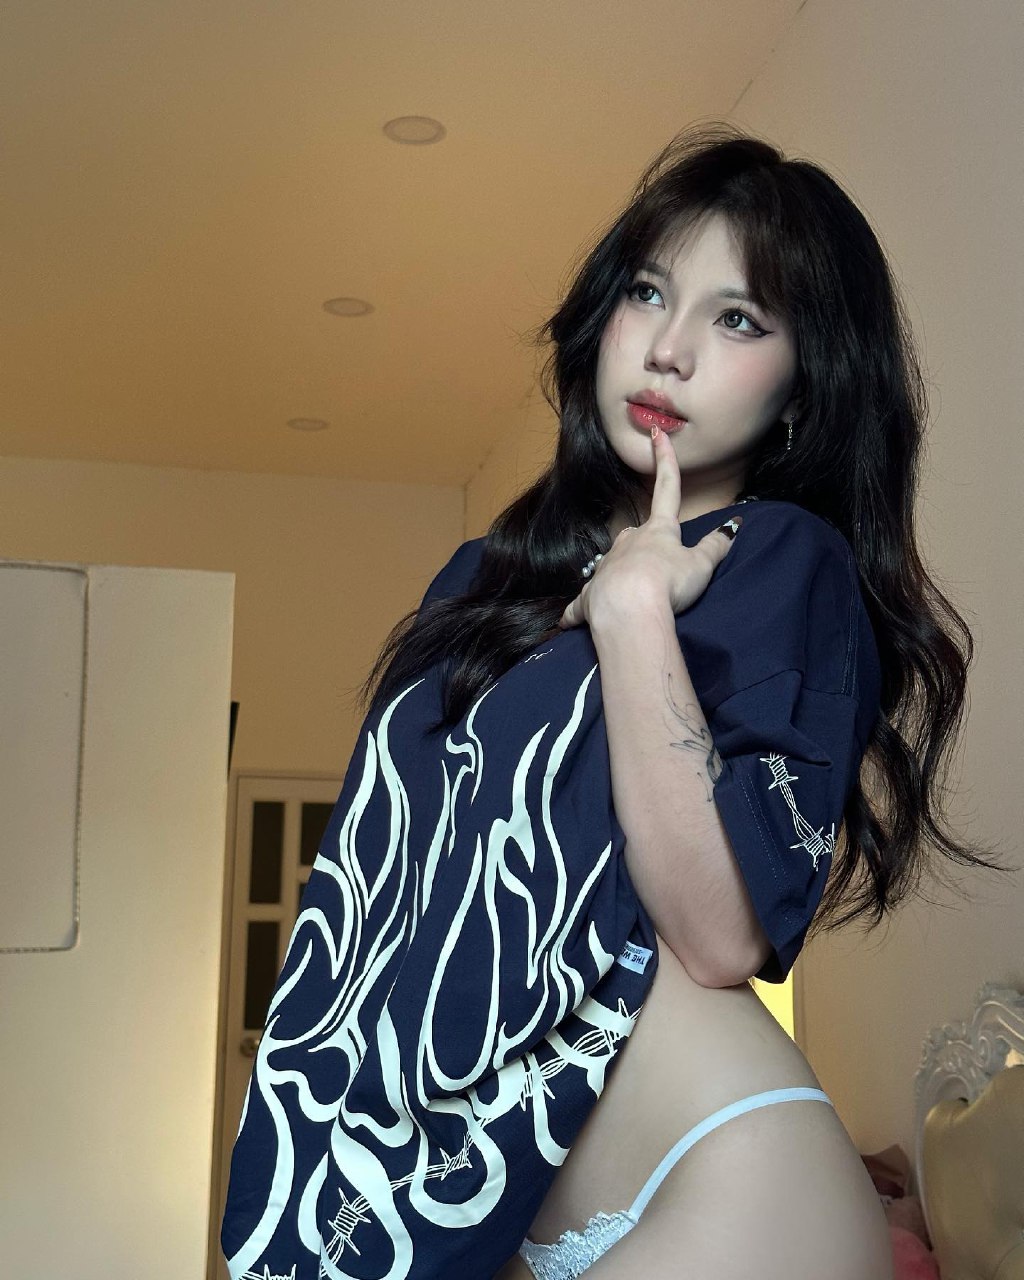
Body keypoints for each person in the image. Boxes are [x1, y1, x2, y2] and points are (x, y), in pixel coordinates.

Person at [221, 124, 1005, 1280]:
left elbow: (719, 932)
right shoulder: (483, 577)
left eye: (738, 319)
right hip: (511, 1200)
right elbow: (380, 901)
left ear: (802, 384)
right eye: (649, 292)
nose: (669, 349)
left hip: (725, 1177)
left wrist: (636, 614)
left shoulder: (778, 560)